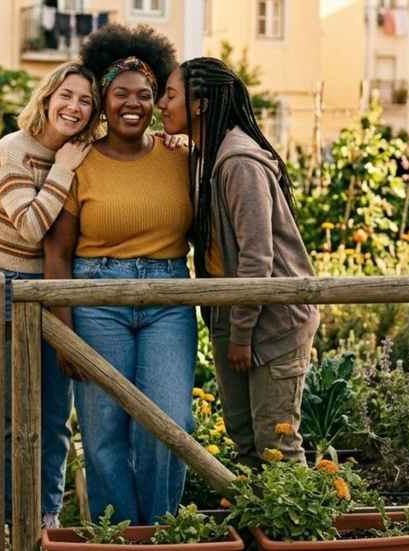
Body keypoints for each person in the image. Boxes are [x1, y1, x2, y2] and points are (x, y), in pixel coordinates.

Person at [44, 23, 196, 525]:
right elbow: (59, 254)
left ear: (156, 102)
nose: (133, 103)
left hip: (168, 299)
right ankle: (118, 534)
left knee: (170, 423)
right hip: (95, 298)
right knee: (104, 429)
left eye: (145, 95)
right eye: (120, 94)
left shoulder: (180, 158)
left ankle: (159, 531)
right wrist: (64, 331)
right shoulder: (79, 161)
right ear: (103, 99)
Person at [156, 57, 320, 468]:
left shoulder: (239, 162)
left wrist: (242, 335)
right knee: (244, 442)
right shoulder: (203, 158)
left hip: (272, 317)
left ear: (201, 104)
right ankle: (258, 534)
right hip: (233, 310)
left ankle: (300, 534)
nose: (161, 103)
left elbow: (257, 257)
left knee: (276, 446)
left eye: (170, 95)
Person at [0, 59, 101, 529]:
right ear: (47, 98)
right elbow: (30, 230)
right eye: (66, 95)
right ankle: (11, 520)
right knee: (14, 416)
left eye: (85, 101)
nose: (74, 106)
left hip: (53, 290)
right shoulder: (13, 150)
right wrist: (63, 171)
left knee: (54, 416)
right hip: (9, 291)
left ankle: (46, 515)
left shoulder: (81, 153)